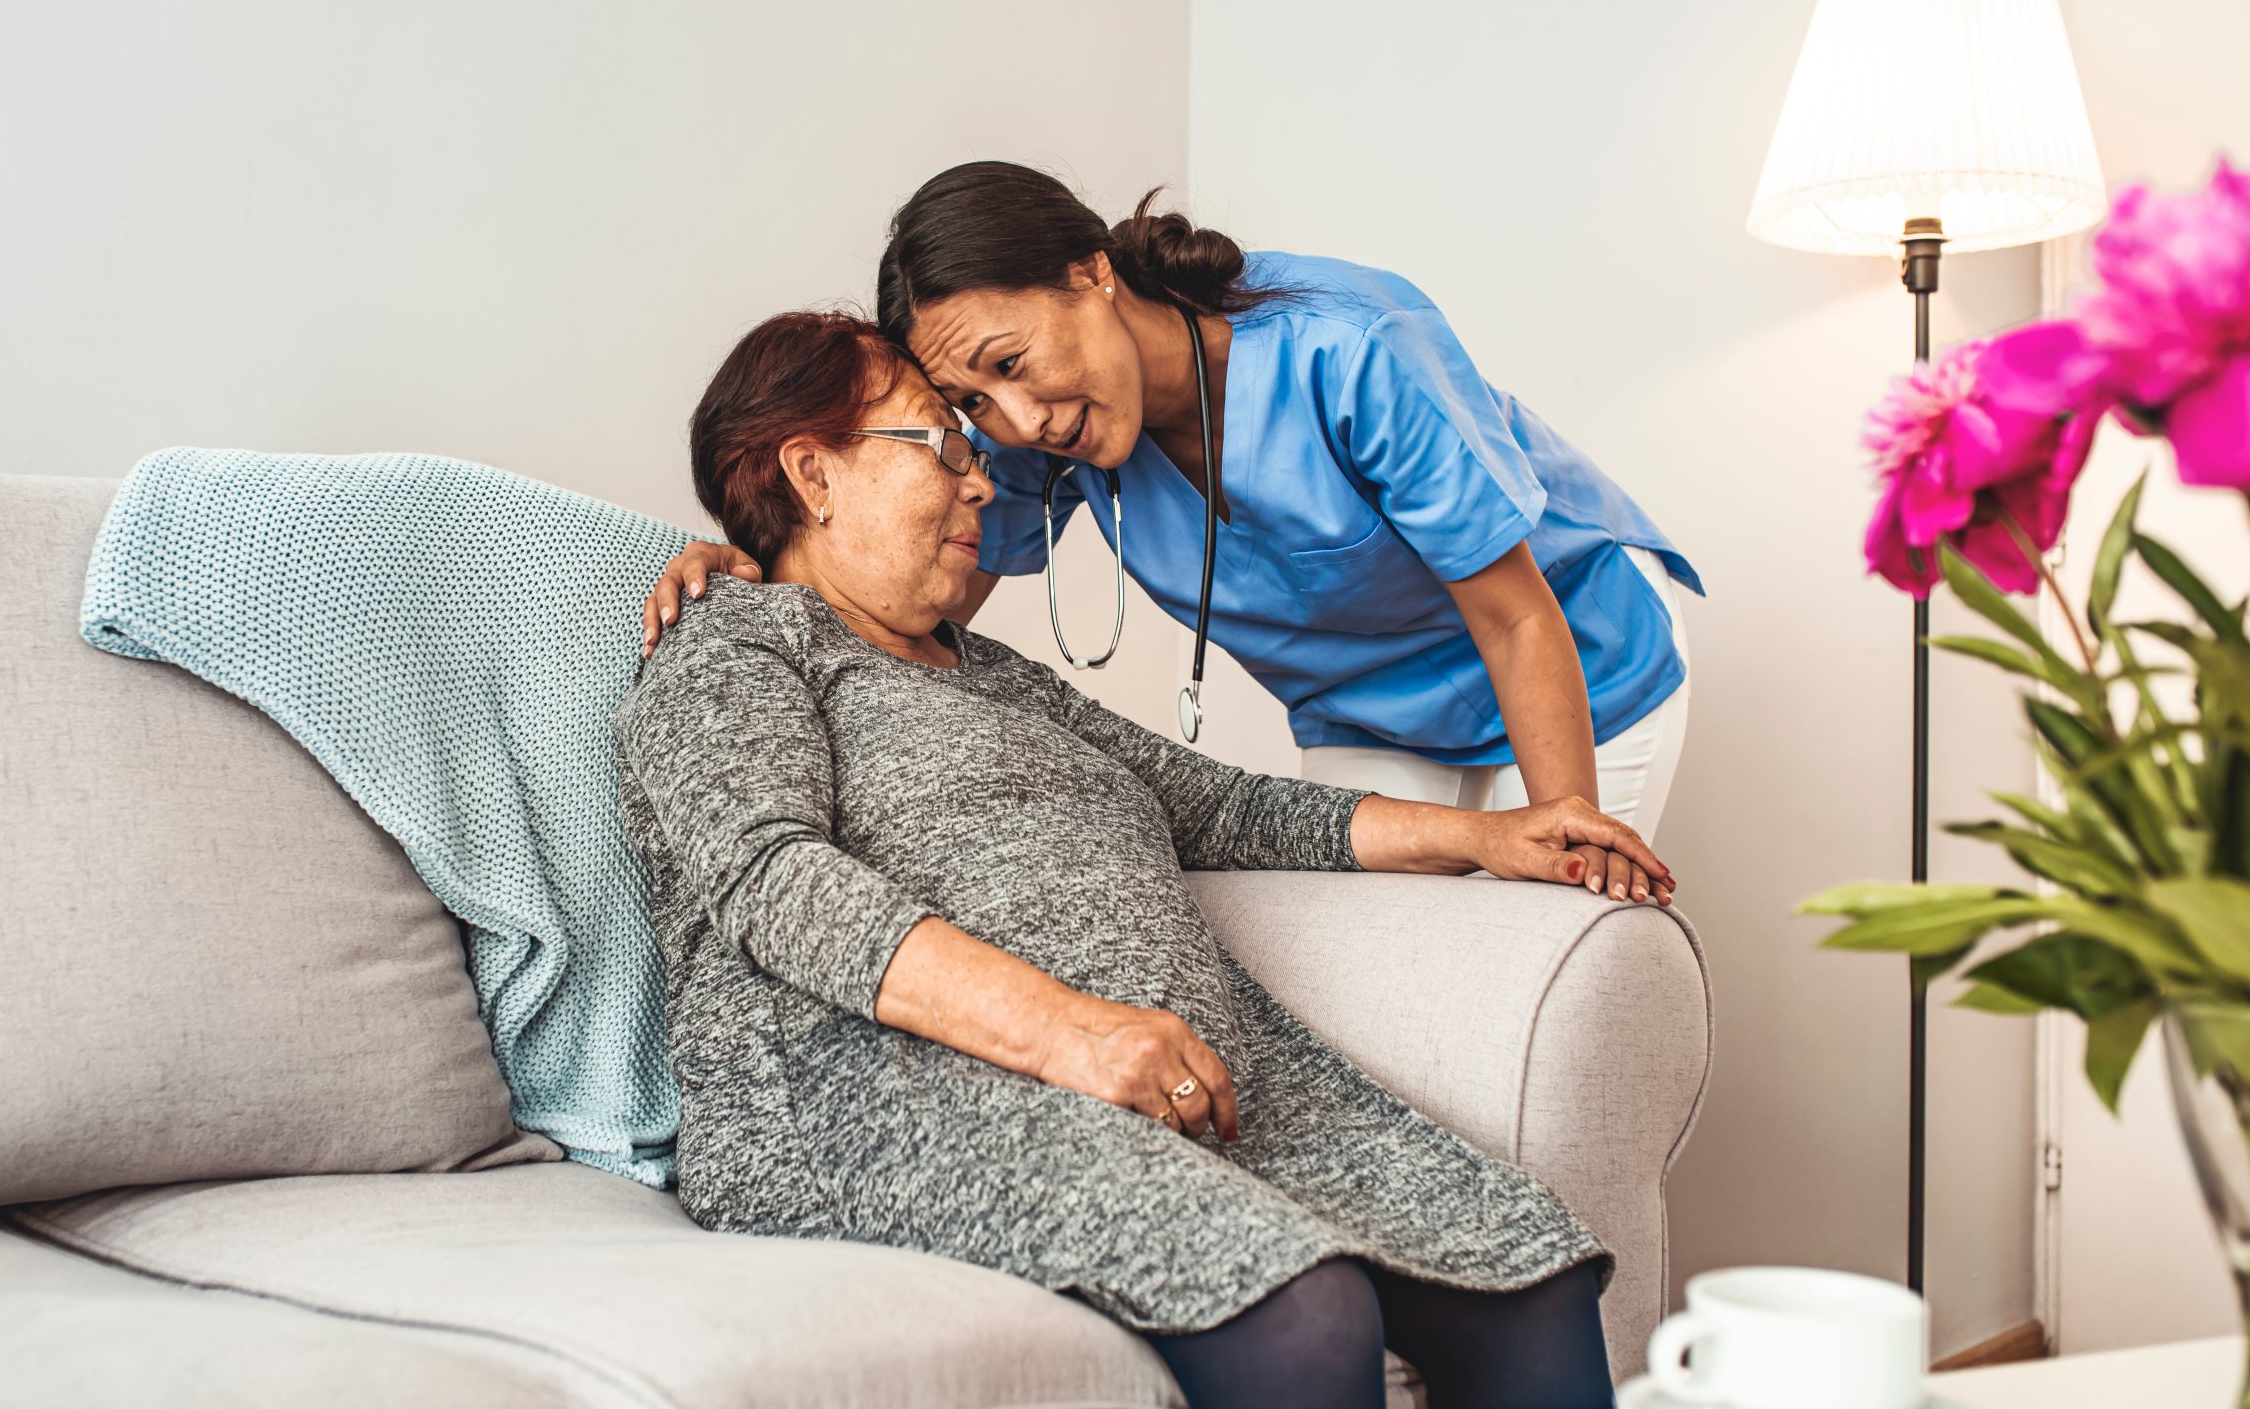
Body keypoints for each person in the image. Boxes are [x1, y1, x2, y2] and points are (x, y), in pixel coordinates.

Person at [616, 312, 1675, 1409]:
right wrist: (1072, 1029)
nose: (982, 480)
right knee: (1300, 1312)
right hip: (868, 1088)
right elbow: (770, 876)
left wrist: (1490, 835)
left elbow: (1216, 806)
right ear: (814, 472)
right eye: (943, 446)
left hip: (1145, 1068)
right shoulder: (734, 642)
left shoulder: (988, 667)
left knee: (1521, 1271)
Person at [647, 164, 1700, 904]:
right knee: (1383, 974)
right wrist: (759, 572)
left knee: (1544, 949)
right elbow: (915, 599)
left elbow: (1515, 619)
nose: (1016, 425)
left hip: (1578, 666)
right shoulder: (1032, 439)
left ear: (1089, 273)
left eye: (1010, 365)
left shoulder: (1352, 347)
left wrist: (1563, 835)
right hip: (1363, 718)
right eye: (973, 407)